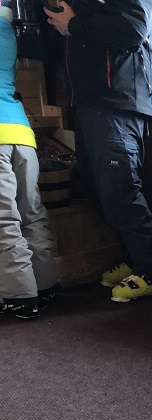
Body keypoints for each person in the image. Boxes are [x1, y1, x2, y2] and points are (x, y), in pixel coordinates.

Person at [44, 0, 152, 303]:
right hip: (91, 101)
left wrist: (73, 25)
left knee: (120, 190)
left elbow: (133, 29)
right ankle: (136, 260)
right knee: (97, 190)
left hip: (120, 100)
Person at [0, 0, 60, 320]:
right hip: (22, 135)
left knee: (4, 221)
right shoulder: (6, 31)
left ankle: (20, 296)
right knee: (31, 212)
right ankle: (46, 284)